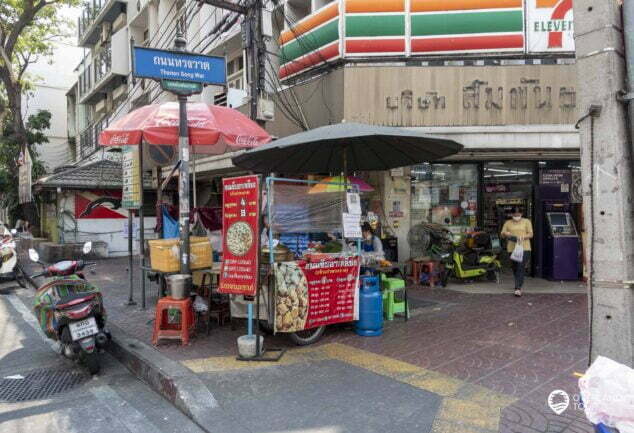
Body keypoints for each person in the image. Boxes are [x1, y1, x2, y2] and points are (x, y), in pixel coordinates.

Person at [501, 207, 533, 297]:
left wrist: (522, 237)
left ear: (521, 214)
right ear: (511, 215)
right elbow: (502, 234)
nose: (516, 216)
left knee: (520, 266)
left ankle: (518, 288)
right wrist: (506, 234)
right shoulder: (508, 223)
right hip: (512, 248)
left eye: (518, 215)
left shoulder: (526, 221)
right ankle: (518, 281)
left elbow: (531, 234)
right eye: (514, 215)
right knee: (515, 267)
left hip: (525, 247)